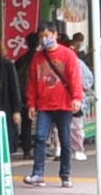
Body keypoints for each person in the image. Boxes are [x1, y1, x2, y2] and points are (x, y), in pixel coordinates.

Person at [22, 23, 85, 186]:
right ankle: (38, 173)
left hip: (64, 105)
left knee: (65, 140)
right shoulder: (37, 58)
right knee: (40, 138)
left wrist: (77, 98)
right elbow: (32, 83)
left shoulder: (68, 55)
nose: (44, 39)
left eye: (47, 35)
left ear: (55, 35)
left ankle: (65, 175)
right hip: (44, 105)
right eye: (41, 36)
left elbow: (74, 77)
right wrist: (31, 104)